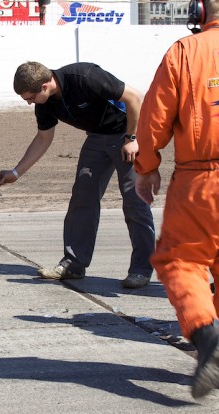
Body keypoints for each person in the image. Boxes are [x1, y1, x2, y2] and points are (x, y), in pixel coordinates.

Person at [0, 61, 155, 289]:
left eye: (29, 97)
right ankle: (73, 264)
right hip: (97, 138)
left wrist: (132, 138)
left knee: (134, 202)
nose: (29, 102)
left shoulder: (85, 76)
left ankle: (141, 270)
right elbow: (43, 138)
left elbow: (134, 98)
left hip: (128, 134)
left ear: (44, 86)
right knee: (82, 198)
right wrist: (16, 173)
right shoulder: (45, 103)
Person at [133, 0, 219, 399]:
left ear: (199, 13)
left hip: (202, 177)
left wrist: (147, 166)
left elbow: (155, 116)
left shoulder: (185, 51)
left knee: (180, 259)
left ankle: (207, 335)